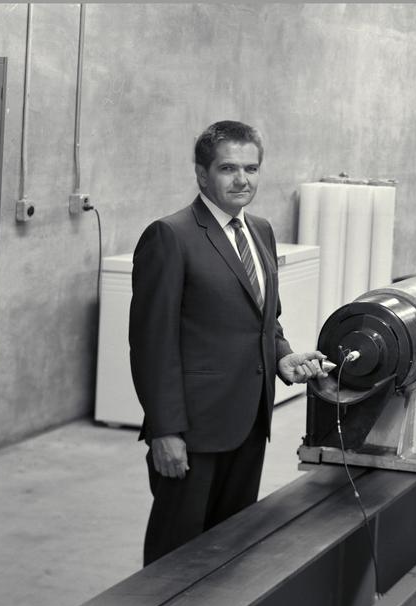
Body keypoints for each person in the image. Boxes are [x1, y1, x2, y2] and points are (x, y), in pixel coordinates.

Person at [129, 120, 328, 566]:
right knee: (175, 557)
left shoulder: (260, 230)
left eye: (251, 169)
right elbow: (151, 345)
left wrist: (282, 356)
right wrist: (165, 431)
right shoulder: (170, 236)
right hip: (194, 431)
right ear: (202, 174)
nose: (242, 180)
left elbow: (264, 320)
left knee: (231, 550)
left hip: (250, 422)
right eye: (228, 168)